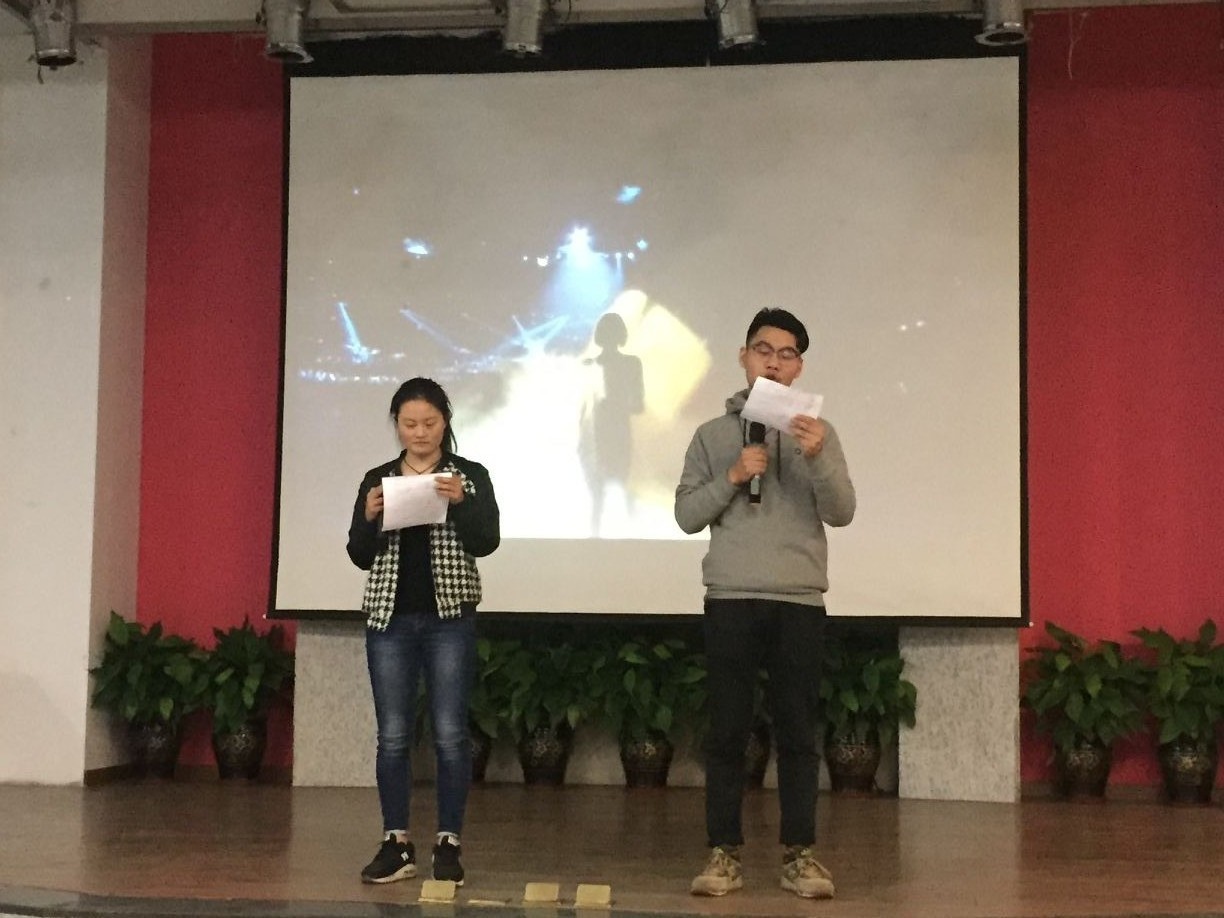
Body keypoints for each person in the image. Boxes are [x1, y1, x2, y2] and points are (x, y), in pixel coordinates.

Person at [674, 308, 855, 900]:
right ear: (744, 358)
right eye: (763, 351)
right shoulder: (712, 435)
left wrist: (817, 456)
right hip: (731, 596)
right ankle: (722, 852)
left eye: (786, 354)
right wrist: (731, 476)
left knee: (798, 733)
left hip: (798, 599)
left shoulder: (817, 434)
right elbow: (685, 515)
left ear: (799, 367)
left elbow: (842, 511)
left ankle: (800, 855)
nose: (773, 363)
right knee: (727, 731)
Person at [346, 377, 500, 887]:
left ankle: (448, 842)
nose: (419, 432)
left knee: (451, 734)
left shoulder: (469, 475)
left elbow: (486, 541)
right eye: (409, 423)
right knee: (392, 736)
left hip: (449, 618)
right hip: (389, 618)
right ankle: (396, 842)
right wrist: (369, 517)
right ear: (397, 425)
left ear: (445, 423)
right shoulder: (379, 478)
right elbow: (359, 554)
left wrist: (462, 502)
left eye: (429, 423)